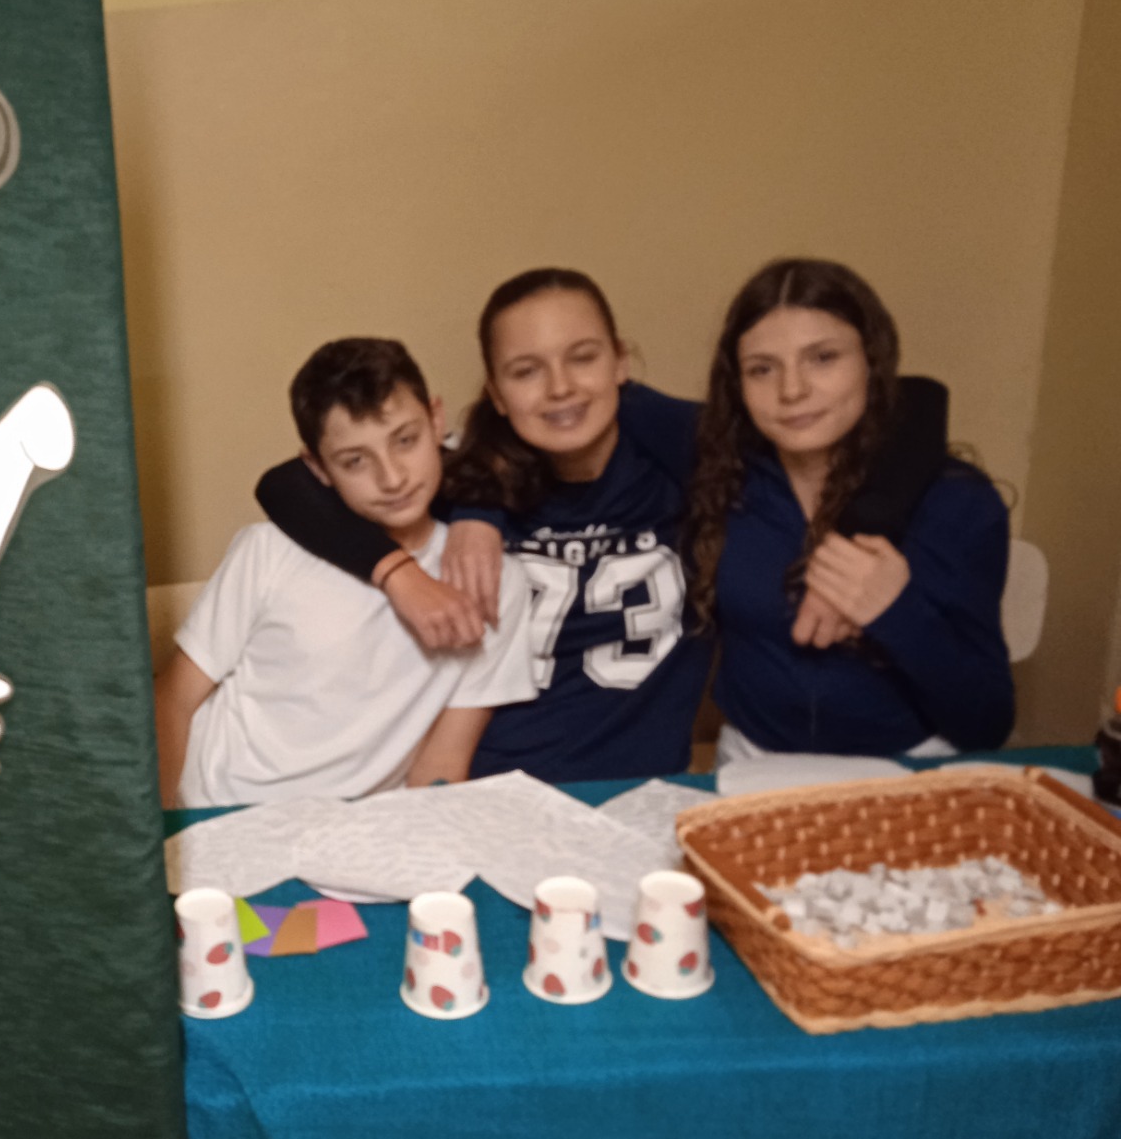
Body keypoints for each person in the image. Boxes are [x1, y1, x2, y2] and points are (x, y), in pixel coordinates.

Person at [255, 269, 949, 783]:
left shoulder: (689, 463)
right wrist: (409, 566)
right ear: (495, 392)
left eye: (583, 357)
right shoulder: (454, 475)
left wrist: (855, 538)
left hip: (640, 792)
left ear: (621, 360)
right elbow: (287, 484)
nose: (560, 386)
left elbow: (916, 404)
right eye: (526, 370)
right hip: (482, 789)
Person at [154, 338, 537, 807]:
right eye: (356, 461)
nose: (392, 478)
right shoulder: (268, 550)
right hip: (215, 804)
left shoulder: (494, 580)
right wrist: (162, 830)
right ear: (316, 467)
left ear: (437, 420)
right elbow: (173, 699)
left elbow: (442, 764)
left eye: (405, 440)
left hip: (357, 830)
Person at [683, 257, 1013, 760]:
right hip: (753, 762)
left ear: (871, 362)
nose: (792, 390)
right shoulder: (719, 479)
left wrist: (895, 610)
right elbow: (602, 403)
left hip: (907, 766)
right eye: (762, 369)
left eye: (823, 358)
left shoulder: (956, 502)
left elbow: (988, 723)